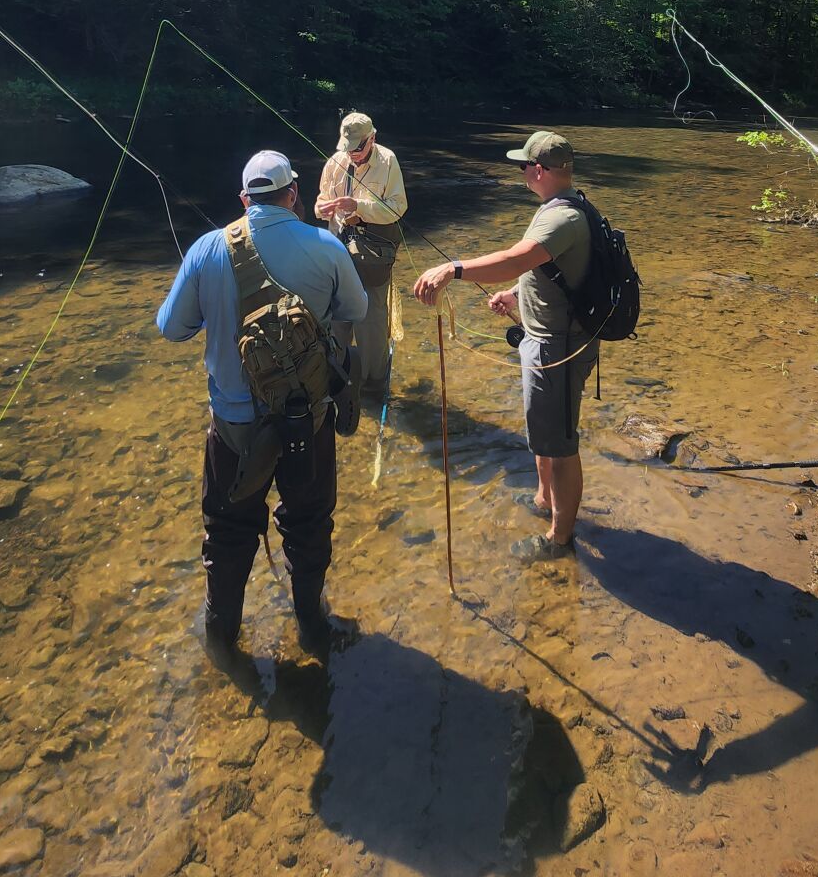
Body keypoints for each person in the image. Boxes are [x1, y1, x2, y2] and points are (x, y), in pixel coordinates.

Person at [157, 150, 368, 651]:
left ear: (243, 198)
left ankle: (221, 636)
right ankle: (313, 628)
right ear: (292, 194)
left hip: (232, 427)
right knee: (309, 522)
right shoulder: (325, 245)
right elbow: (355, 308)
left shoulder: (208, 248)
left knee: (227, 530)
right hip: (306, 422)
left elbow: (171, 329)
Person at [412, 130, 596, 559]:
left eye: (522, 167)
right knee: (544, 434)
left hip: (558, 349)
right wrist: (517, 295)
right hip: (547, 340)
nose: (521, 174)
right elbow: (544, 267)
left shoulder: (560, 217)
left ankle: (560, 538)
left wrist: (453, 269)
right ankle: (543, 500)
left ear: (538, 170)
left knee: (562, 445)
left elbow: (516, 257)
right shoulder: (564, 206)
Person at [316, 111, 407, 388]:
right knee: (337, 317)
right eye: (348, 148)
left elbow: (398, 208)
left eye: (358, 147)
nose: (353, 154)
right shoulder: (334, 162)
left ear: (372, 138)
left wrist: (360, 208)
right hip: (337, 252)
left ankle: (373, 382)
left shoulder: (388, 160)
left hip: (373, 255)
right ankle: (339, 379)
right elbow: (320, 205)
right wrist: (323, 209)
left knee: (371, 320)